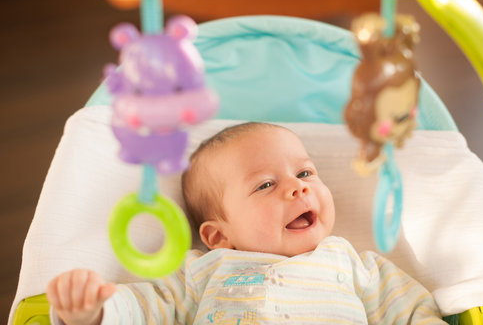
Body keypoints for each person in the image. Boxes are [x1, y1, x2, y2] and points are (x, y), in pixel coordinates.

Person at [47, 122, 446, 324]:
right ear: (219, 236)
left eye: (305, 174)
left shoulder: (355, 264)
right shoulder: (202, 271)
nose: (296, 189)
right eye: (266, 185)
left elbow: (413, 311)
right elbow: (144, 310)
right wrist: (93, 312)